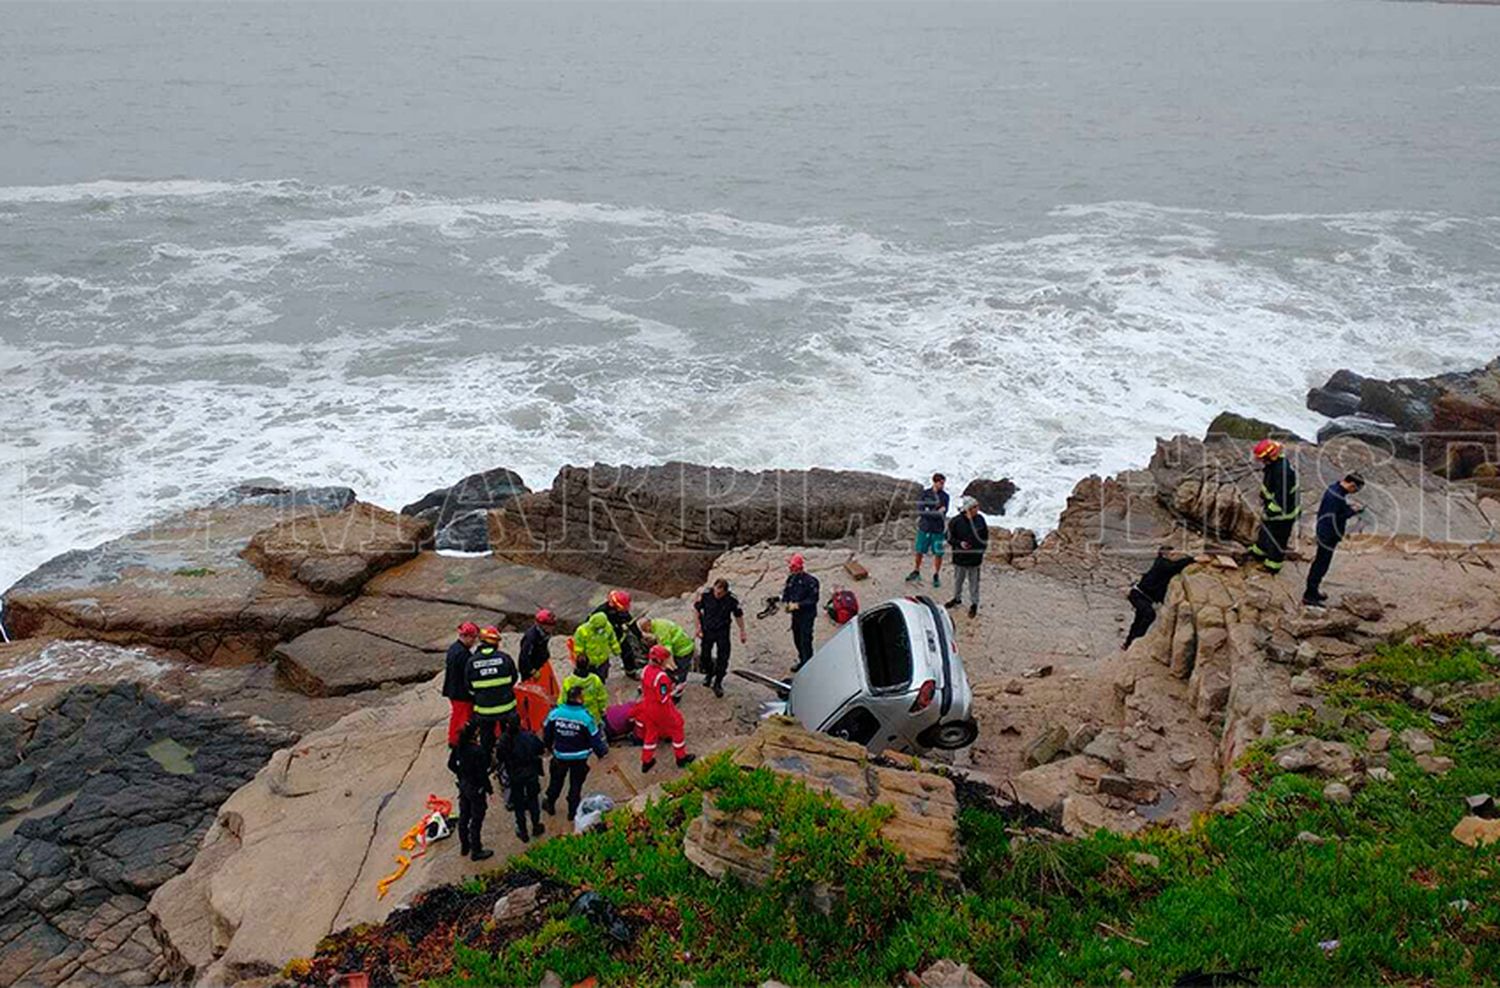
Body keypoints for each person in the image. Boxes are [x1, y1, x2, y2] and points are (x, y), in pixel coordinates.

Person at [542, 685, 609, 821]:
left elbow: (547, 733)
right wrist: (601, 753)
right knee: (575, 785)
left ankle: (550, 804)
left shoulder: (555, 714)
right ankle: (572, 813)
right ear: (579, 698)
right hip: (579, 757)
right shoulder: (585, 718)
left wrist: (549, 747)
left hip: (560, 755)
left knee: (556, 782)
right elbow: (595, 739)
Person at [1304, 473, 1366, 606]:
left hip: (1326, 532)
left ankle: (1313, 591)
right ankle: (1310, 595)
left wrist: (1348, 508)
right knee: (1321, 565)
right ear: (1351, 485)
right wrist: (1352, 511)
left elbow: (1336, 511)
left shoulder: (1335, 489)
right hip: (1328, 534)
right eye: (1355, 490)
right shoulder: (1336, 496)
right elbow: (1334, 517)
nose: (1354, 492)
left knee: (1321, 563)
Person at [1122, 546, 1198, 649]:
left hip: (1143, 596)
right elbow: (1175, 566)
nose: (1174, 557)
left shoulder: (1163, 563)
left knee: (1139, 619)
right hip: (1139, 595)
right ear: (1164, 555)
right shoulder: (1162, 564)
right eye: (1172, 554)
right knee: (1148, 615)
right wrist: (1193, 559)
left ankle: (1129, 642)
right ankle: (1135, 641)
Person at [464, 626, 520, 764]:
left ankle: (488, 760)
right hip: (507, 708)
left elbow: (469, 687)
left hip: (484, 711)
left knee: (486, 737)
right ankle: (509, 757)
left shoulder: (472, 662)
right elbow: (513, 679)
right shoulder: (505, 659)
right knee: (510, 734)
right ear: (495, 643)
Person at [639, 645, 694, 772]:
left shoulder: (645, 670)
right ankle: (681, 758)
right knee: (677, 726)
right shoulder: (661, 677)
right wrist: (676, 690)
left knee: (651, 732)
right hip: (661, 708)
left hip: (647, 706)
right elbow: (663, 698)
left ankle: (646, 761)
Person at [1248, 439, 1300, 573]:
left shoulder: (1282, 471)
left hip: (1283, 513)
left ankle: (1272, 565)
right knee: (1265, 532)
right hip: (1274, 509)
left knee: (1277, 539)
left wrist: (1271, 511)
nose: (1260, 461)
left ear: (1270, 455)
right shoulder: (1275, 465)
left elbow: (1281, 497)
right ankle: (1259, 552)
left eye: (1262, 458)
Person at [447, 720, 494, 861]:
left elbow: (450, 764)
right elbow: (482, 773)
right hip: (475, 788)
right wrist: (488, 789)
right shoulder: (477, 751)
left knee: (464, 816)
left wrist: (461, 774)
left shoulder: (459, 747)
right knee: (476, 819)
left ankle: (464, 846)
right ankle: (476, 850)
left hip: (464, 785)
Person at [694, 578, 747, 698]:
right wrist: (697, 627)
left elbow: (738, 615)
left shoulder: (731, 599)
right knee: (705, 656)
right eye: (716, 591)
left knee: (723, 657)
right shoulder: (706, 595)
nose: (717, 594)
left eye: (720, 593)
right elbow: (697, 610)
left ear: (725, 592)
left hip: (722, 630)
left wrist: (742, 631)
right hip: (708, 629)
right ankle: (709, 673)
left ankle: (718, 682)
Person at [497, 720, 546, 843]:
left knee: (518, 804)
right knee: (533, 799)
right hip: (531, 773)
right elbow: (541, 749)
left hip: (515, 776)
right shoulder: (529, 736)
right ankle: (536, 825)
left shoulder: (504, 740)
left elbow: (500, 757)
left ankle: (523, 831)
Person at [515, 609, 561, 735]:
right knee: (532, 697)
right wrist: (531, 671)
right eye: (550, 625)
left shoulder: (544, 634)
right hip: (531, 671)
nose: (552, 627)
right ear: (542, 625)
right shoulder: (530, 637)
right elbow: (524, 657)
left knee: (547, 691)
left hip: (541, 666)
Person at [943, 496, 989, 618]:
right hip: (960, 557)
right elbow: (948, 537)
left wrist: (982, 551)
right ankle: (957, 599)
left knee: (974, 583)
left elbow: (985, 537)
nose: (978, 509)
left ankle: (974, 604)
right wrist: (960, 544)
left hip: (975, 558)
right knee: (958, 580)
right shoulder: (955, 521)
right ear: (968, 508)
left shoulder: (980, 519)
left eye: (977, 506)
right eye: (975, 507)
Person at [906, 473, 950, 589]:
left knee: (938, 554)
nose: (943, 485)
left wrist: (929, 511)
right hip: (924, 528)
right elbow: (921, 511)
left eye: (943, 483)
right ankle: (916, 571)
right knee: (919, 551)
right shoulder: (925, 494)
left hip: (938, 529)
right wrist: (936, 512)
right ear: (934, 482)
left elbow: (943, 513)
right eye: (941, 483)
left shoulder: (945, 496)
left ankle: (936, 574)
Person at [442, 621, 480, 750]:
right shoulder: (463, 654)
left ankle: (455, 739)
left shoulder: (454, 649)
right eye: (474, 638)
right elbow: (467, 675)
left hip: (453, 690)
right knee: (462, 719)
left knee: (456, 716)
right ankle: (457, 741)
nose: (474, 641)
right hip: (461, 693)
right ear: (467, 636)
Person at [781, 553, 820, 671]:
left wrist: (798, 605)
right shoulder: (791, 579)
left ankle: (808, 664)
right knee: (797, 638)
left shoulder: (811, 581)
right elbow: (786, 593)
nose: (791, 570)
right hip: (796, 615)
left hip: (807, 615)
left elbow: (813, 599)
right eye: (791, 567)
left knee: (806, 639)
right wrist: (786, 603)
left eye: (794, 567)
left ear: (800, 567)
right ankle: (802, 659)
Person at [637, 616, 696, 684]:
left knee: (680, 669)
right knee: (675, 669)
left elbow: (667, 648)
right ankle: (674, 681)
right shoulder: (657, 623)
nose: (647, 632)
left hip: (684, 649)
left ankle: (680, 685)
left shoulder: (660, 629)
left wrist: (666, 662)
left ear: (648, 625)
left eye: (645, 630)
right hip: (681, 646)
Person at [592, 590, 638, 674]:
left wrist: (639, 636)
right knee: (600, 660)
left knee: (627, 652)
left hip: (618, 634)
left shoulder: (622, 611)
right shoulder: (601, 612)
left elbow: (631, 623)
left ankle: (630, 671)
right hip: (602, 637)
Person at [572, 611, 621, 682]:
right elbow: (578, 645)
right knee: (589, 680)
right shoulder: (582, 631)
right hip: (589, 662)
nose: (600, 629)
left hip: (603, 660)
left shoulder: (607, 627)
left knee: (602, 678)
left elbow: (612, 639)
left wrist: (617, 650)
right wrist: (580, 656)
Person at [561, 655, 610, 726]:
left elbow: (562, 701)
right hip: (593, 717)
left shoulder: (568, 682)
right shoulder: (595, 680)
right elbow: (601, 698)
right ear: (588, 665)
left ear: (576, 665)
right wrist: (602, 711)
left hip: (576, 717)